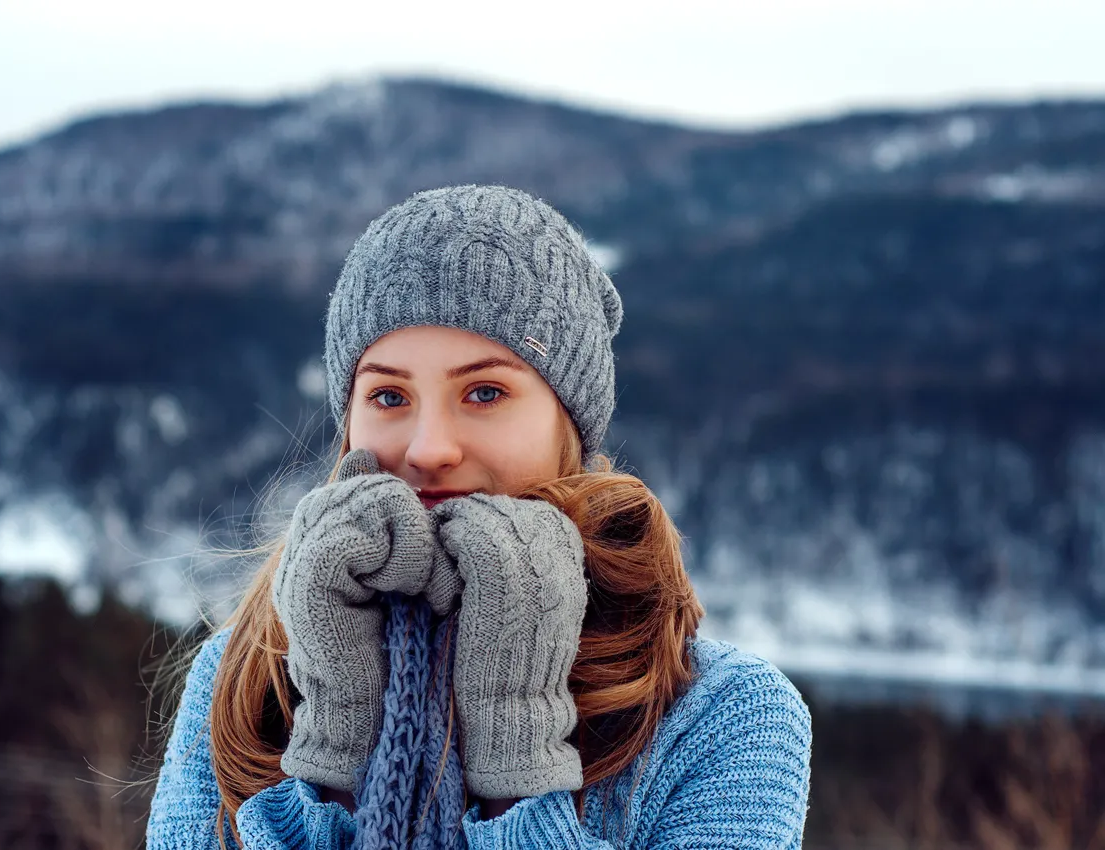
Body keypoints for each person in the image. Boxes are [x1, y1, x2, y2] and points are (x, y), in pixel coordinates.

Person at [146, 185, 812, 849]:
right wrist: (337, 752)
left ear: (570, 424)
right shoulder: (244, 678)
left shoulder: (723, 716)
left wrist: (518, 759)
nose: (429, 448)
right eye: (389, 396)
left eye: (485, 392)